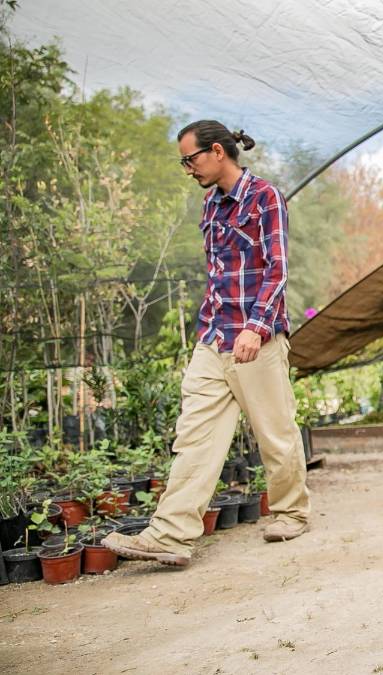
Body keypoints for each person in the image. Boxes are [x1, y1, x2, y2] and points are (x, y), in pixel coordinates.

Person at [103, 120, 311, 567]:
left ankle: (292, 512)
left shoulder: (264, 197)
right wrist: (209, 328)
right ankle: (171, 536)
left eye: (190, 159)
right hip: (214, 336)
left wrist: (256, 328)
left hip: (256, 337)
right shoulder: (209, 205)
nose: (187, 168)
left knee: (274, 433)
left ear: (217, 151)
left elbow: (277, 270)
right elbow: (218, 274)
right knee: (194, 437)